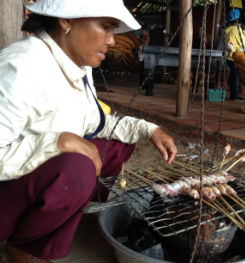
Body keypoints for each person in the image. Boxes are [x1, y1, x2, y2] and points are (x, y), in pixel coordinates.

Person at [0, 1, 177, 262]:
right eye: (105, 27)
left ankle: (61, 215)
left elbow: (99, 124)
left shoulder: (78, 67)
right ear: (66, 21)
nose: (112, 41)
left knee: (117, 146)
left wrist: (149, 129)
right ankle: (25, 245)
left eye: (113, 29)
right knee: (78, 166)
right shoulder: (22, 66)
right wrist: (57, 142)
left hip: (29, 182)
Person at [225, 8, 245, 100]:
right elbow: (240, 43)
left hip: (229, 56)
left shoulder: (228, 29)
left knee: (234, 75)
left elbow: (229, 43)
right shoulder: (236, 30)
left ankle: (234, 95)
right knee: (236, 76)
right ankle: (234, 95)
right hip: (235, 56)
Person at [137, 25, 153, 96]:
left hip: (147, 55)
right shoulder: (141, 36)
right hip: (141, 54)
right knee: (141, 70)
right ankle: (142, 85)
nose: (142, 32)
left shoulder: (147, 37)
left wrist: (140, 41)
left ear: (146, 31)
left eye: (143, 31)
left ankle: (147, 87)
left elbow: (146, 44)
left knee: (146, 71)